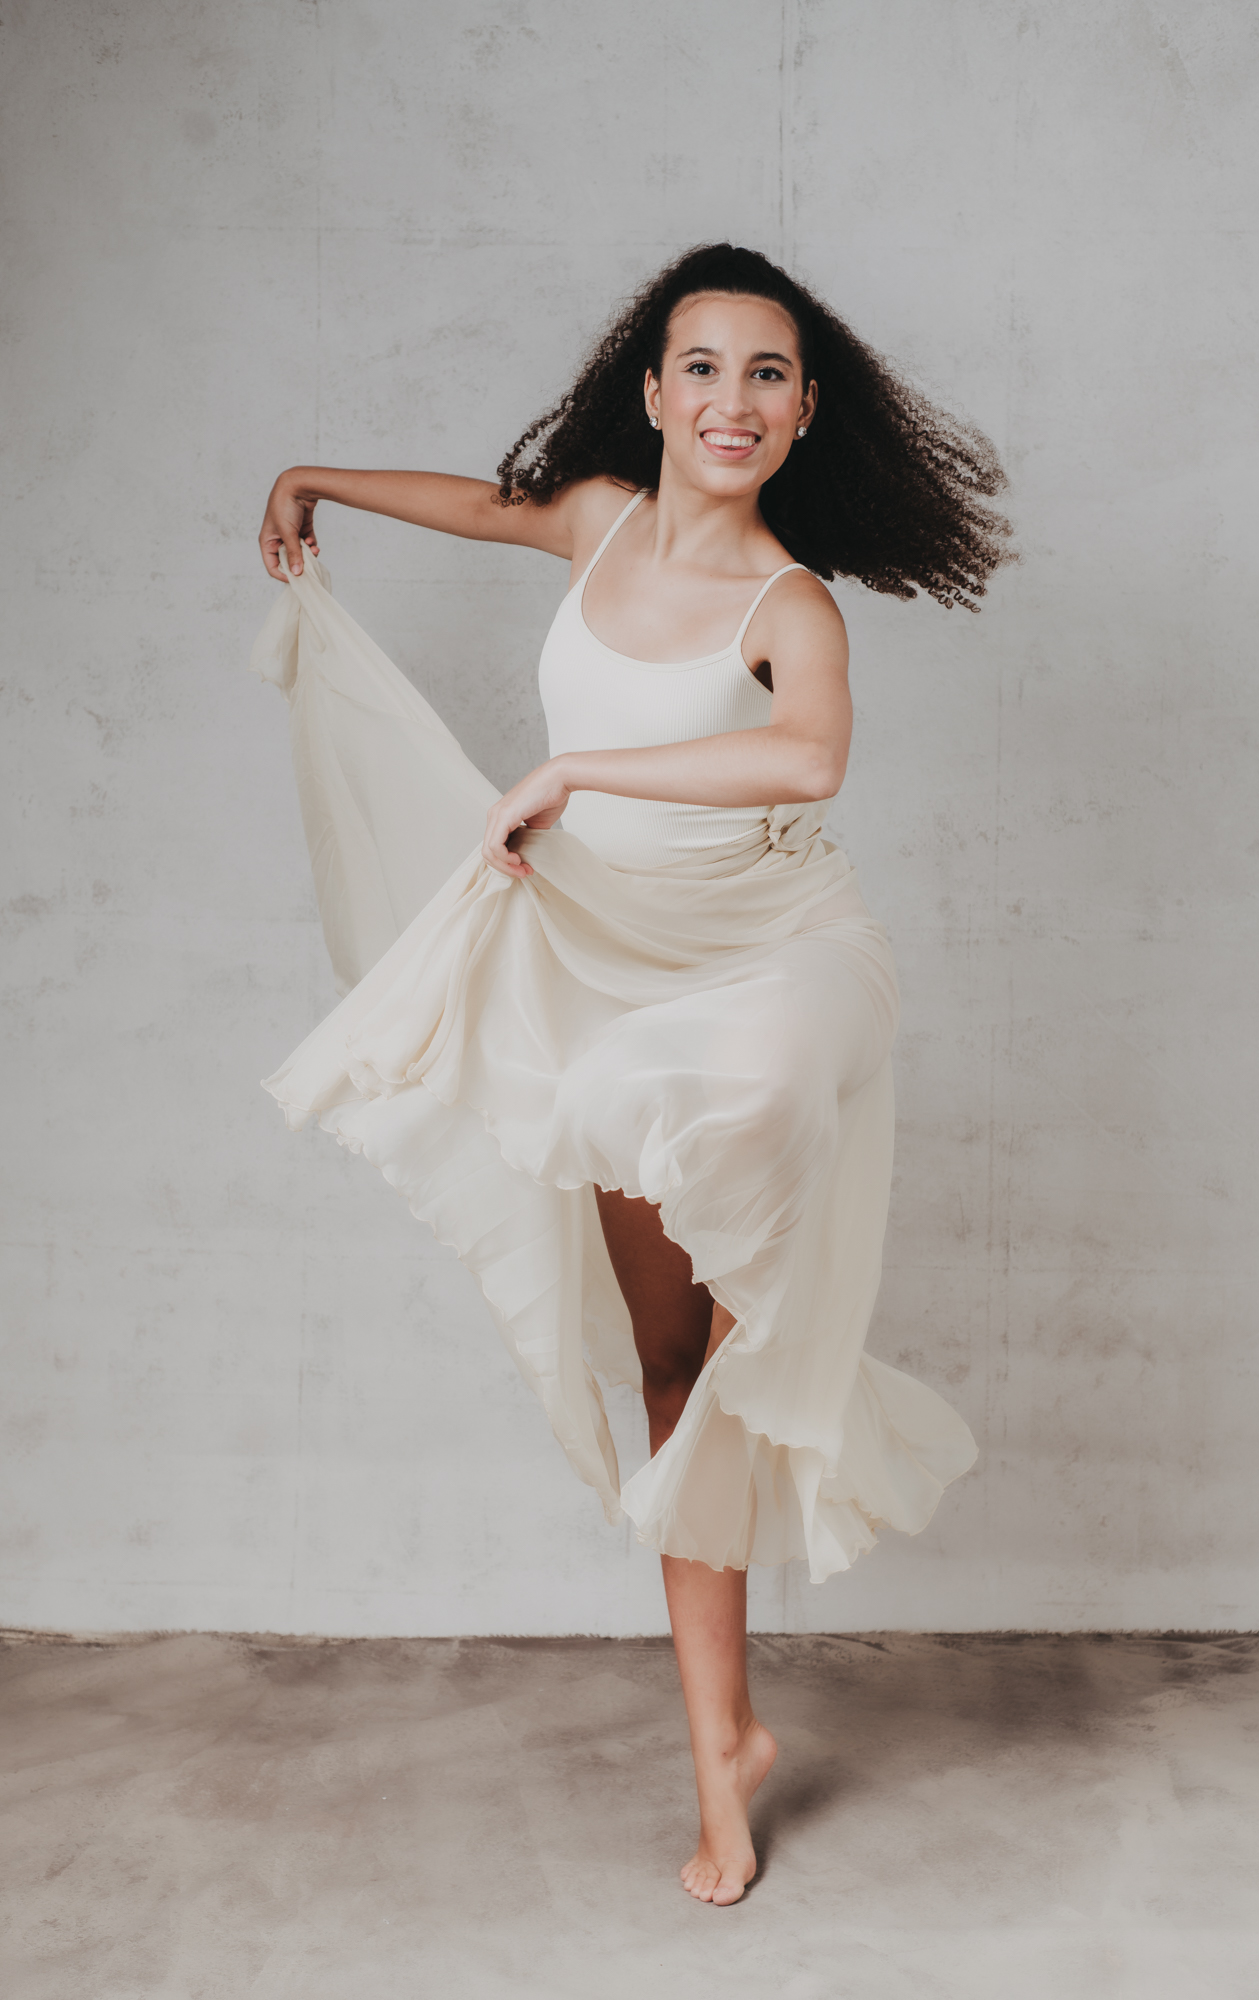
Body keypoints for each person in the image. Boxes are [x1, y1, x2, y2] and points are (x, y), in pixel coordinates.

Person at [256, 243, 1010, 1905]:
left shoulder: (786, 604)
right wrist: (313, 478)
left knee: (709, 1121)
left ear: (807, 414)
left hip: (782, 970)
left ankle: (784, 1325)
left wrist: (577, 767)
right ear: (654, 390)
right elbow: (475, 504)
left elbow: (808, 755)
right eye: (704, 367)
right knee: (677, 1366)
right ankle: (722, 1754)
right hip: (603, 971)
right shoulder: (596, 521)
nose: (731, 400)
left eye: (767, 376)